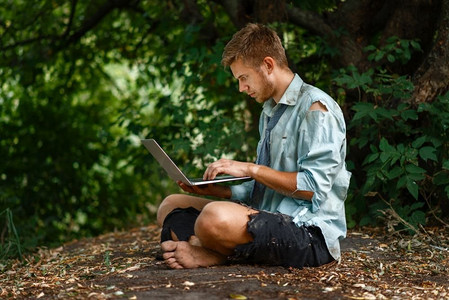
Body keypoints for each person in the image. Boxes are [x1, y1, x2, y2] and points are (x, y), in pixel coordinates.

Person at [157, 23, 351, 270]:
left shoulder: (316, 108)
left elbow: (313, 188)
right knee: (172, 205)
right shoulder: (269, 112)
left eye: (244, 78)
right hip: (264, 216)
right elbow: (268, 186)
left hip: (307, 233)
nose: (241, 88)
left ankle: (215, 253)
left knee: (213, 218)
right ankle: (206, 245)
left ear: (268, 65)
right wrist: (220, 193)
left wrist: (250, 169)